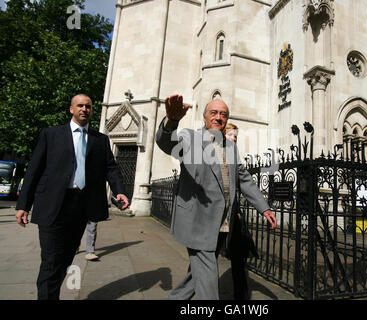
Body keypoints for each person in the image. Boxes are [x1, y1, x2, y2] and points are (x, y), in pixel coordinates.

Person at [156, 94, 277, 300]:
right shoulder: (190, 138)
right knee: (208, 279)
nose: (219, 117)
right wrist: (172, 121)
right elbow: (166, 142)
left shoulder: (231, 146)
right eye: (214, 113)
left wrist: (263, 207)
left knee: (197, 275)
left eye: (223, 114)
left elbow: (243, 178)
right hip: (198, 220)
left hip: (223, 223)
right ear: (204, 117)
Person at [15, 94, 129, 300]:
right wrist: (23, 204)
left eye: (88, 106)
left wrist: (119, 190)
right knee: (51, 259)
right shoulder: (51, 134)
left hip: (81, 208)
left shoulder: (100, 140)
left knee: (66, 258)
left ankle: (51, 293)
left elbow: (111, 168)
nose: (84, 109)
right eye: (80, 106)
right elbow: (34, 170)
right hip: (53, 205)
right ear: (71, 109)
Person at [222, 122, 252, 300]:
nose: (234, 139)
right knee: (204, 261)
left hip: (233, 214)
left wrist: (238, 210)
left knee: (238, 256)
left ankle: (241, 295)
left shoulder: (234, 156)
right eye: (230, 135)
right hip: (217, 217)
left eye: (236, 136)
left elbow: (241, 183)